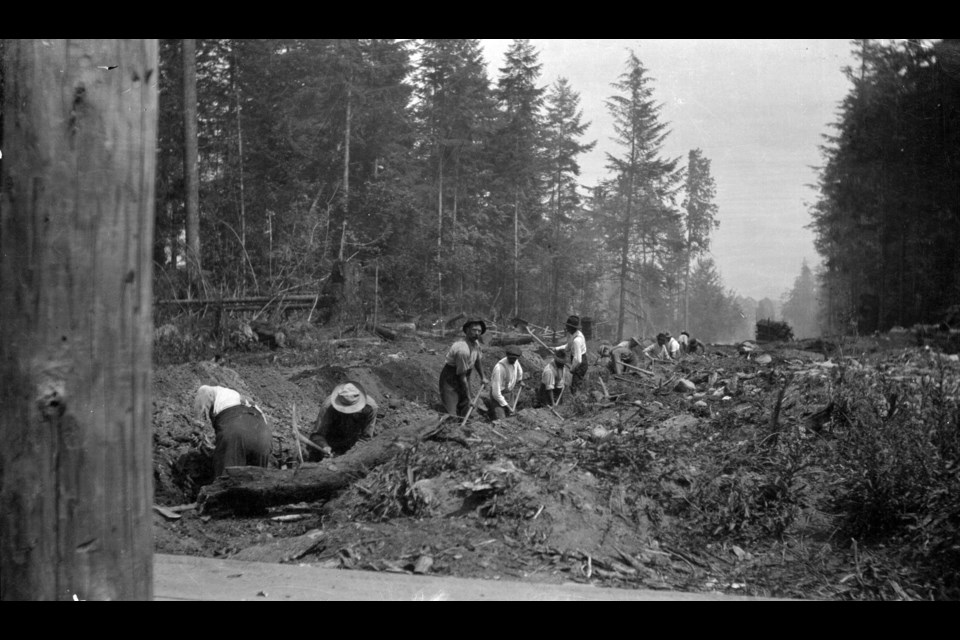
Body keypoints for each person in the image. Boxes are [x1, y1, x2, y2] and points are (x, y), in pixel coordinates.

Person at [193, 384, 272, 477]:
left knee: (227, 481)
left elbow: (204, 391)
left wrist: (197, 428)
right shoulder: (244, 401)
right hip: (264, 436)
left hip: (236, 428)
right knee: (257, 484)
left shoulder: (217, 391)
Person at [308, 381, 378, 460]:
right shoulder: (328, 406)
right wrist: (324, 446)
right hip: (332, 439)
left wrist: (349, 456)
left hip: (354, 442)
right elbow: (316, 435)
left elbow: (366, 438)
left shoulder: (370, 408)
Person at [439, 318, 488, 417]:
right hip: (450, 377)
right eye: (474, 330)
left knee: (466, 406)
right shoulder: (462, 350)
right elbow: (462, 377)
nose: (477, 333)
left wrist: (483, 377)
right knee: (451, 414)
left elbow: (477, 360)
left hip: (465, 374)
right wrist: (469, 398)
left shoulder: (476, 343)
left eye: (479, 331)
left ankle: (464, 421)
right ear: (467, 331)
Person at [485, 345, 523, 421]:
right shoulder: (499, 369)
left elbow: (519, 370)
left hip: (509, 393)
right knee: (501, 420)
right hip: (498, 397)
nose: (513, 360)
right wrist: (506, 405)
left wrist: (520, 380)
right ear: (507, 355)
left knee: (512, 418)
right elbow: (496, 393)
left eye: (515, 358)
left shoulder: (515, 361)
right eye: (511, 358)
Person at [554, 315, 587, 391]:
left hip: (580, 363)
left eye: (568, 326)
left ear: (572, 327)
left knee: (575, 384)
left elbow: (578, 360)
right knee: (575, 383)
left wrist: (572, 368)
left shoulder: (577, 340)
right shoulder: (572, 335)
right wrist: (556, 348)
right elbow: (568, 346)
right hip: (575, 360)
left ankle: (577, 399)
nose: (566, 327)